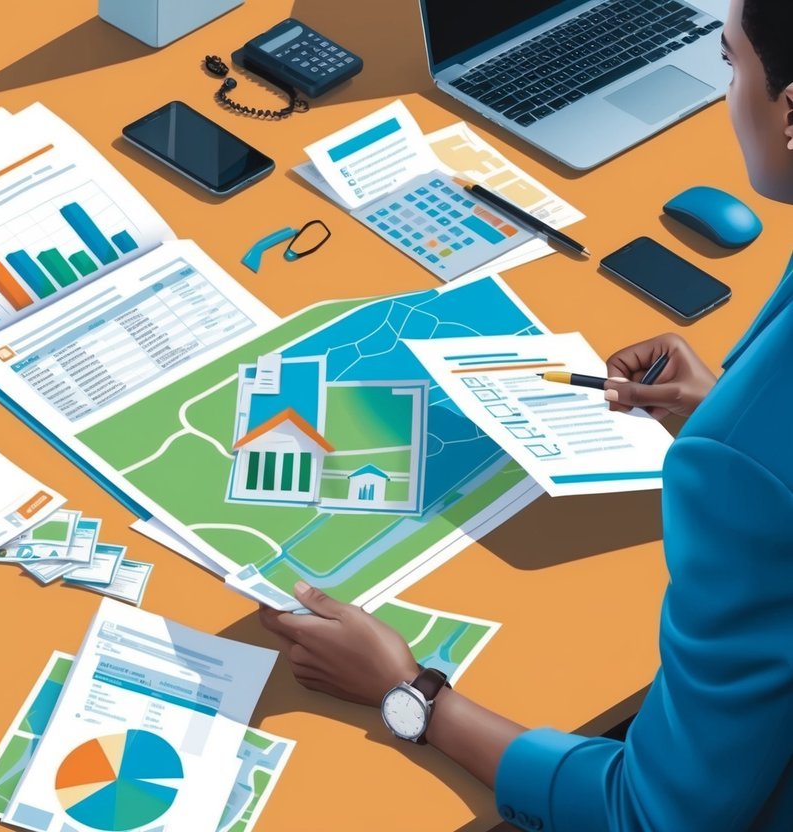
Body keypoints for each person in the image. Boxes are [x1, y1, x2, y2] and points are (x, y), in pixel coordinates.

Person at [260, 0, 793, 829]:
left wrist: (410, 695)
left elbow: (652, 816)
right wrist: (731, 418)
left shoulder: (738, 465)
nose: (724, 92)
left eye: (729, 64)